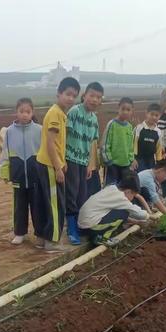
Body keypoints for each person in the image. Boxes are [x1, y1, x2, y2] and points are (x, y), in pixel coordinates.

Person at [35, 77, 80, 253]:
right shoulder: (55, 114)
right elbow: (50, 143)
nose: (70, 98)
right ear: (59, 93)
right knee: (56, 204)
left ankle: (41, 238)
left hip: (48, 163)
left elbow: (58, 143)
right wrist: (58, 167)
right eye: (68, 94)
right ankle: (52, 241)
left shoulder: (60, 113)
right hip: (49, 164)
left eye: (74, 96)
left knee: (45, 201)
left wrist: (63, 162)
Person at [0, 97, 42, 245]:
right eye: (21, 111)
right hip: (18, 175)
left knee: (37, 205)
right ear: (16, 112)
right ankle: (20, 233)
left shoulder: (39, 130)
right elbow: (5, 153)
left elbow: (44, 152)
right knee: (19, 205)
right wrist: (5, 172)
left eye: (28, 111)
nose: (25, 114)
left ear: (32, 113)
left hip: (35, 174)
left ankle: (40, 233)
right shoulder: (9, 132)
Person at [65, 82, 102, 245]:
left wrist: (90, 165)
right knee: (71, 194)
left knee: (82, 194)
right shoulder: (74, 112)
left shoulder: (94, 119)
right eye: (92, 95)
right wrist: (61, 161)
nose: (94, 100)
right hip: (71, 159)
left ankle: (80, 225)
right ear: (84, 96)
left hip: (84, 162)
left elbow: (92, 144)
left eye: (98, 97)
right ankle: (71, 228)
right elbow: (64, 136)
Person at [78, 174, 149, 247]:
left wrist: (136, 222)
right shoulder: (121, 198)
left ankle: (99, 235)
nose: (132, 198)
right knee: (124, 212)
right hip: (90, 226)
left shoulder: (112, 188)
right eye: (133, 195)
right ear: (128, 191)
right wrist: (148, 215)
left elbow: (111, 214)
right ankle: (102, 238)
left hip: (83, 224)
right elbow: (141, 215)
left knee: (122, 213)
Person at [101, 97, 135, 185]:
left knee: (123, 187)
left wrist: (131, 159)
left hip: (125, 165)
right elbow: (105, 143)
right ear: (118, 108)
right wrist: (108, 161)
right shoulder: (112, 124)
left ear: (132, 111)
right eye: (123, 109)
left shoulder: (129, 127)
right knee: (111, 187)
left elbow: (130, 145)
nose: (125, 112)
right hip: (113, 164)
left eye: (128, 110)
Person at [134, 102, 163, 172]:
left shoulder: (158, 131)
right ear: (146, 113)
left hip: (151, 160)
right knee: (140, 177)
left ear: (160, 116)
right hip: (139, 159)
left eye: (156, 115)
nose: (154, 117)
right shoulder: (139, 128)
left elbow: (159, 148)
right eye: (152, 114)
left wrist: (159, 161)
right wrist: (133, 159)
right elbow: (134, 144)